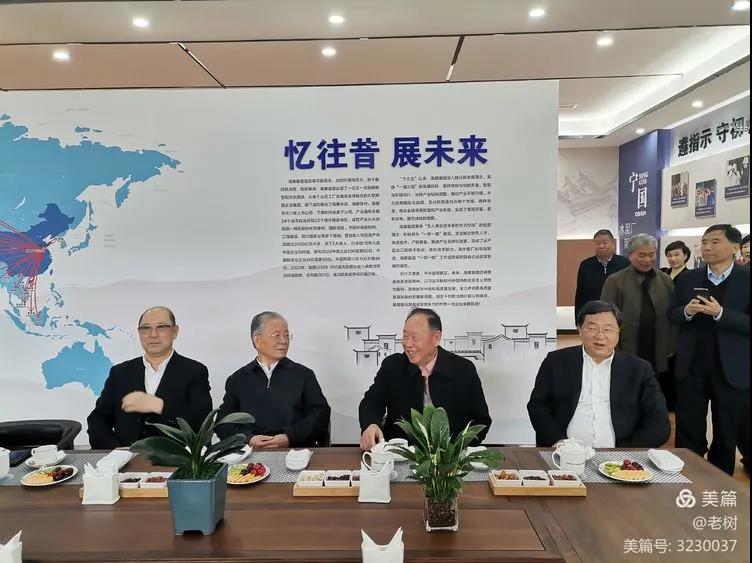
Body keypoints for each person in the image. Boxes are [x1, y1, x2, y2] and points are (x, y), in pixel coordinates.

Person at [527, 300, 670, 448]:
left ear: (618, 332)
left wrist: (625, 451)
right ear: (579, 330)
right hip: (564, 452)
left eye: (608, 329)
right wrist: (557, 441)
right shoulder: (556, 362)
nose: (600, 336)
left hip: (620, 456)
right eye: (592, 328)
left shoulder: (639, 369)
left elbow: (659, 424)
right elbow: (537, 406)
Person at [669, 224, 750, 476]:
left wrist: (721, 313)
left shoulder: (747, 279)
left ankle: (719, 482)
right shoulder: (688, 279)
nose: (707, 247)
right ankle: (686, 479)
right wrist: (686, 311)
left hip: (732, 369)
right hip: (691, 365)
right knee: (688, 429)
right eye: (704, 242)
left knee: (726, 431)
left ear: (735, 247)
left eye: (715, 242)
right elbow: (671, 314)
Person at [358, 308, 492, 450]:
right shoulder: (393, 366)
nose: (408, 344)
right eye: (405, 336)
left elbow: (480, 421)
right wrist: (371, 425)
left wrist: (456, 451)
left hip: (450, 457)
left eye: (415, 338)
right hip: (399, 454)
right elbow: (371, 403)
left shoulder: (463, 370)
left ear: (436, 338)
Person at [87, 306, 212, 448]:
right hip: (125, 456)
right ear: (139, 333)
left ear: (175, 331)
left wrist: (159, 406)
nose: (153, 334)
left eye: (161, 327)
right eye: (146, 328)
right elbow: (98, 419)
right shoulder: (120, 372)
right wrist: (117, 451)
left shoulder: (195, 371)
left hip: (175, 456)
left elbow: (202, 423)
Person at [216, 311, 330, 448]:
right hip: (251, 453)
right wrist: (249, 439)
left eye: (286, 335)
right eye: (277, 335)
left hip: (296, 451)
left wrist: (290, 436)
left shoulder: (304, 375)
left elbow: (320, 415)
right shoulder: (238, 379)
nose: (284, 341)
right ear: (257, 340)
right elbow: (223, 422)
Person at [600, 233, 674, 376]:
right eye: (642, 255)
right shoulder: (615, 281)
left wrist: (670, 346)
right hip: (627, 346)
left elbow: (672, 316)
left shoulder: (665, 280)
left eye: (651, 254)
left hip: (657, 346)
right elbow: (605, 318)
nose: (647, 260)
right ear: (630, 255)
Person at [574, 229, 629, 320]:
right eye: (597, 243)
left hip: (617, 315)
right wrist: (578, 319)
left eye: (605, 243)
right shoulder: (586, 265)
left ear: (613, 244)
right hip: (592, 314)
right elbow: (580, 294)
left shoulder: (625, 263)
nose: (601, 246)